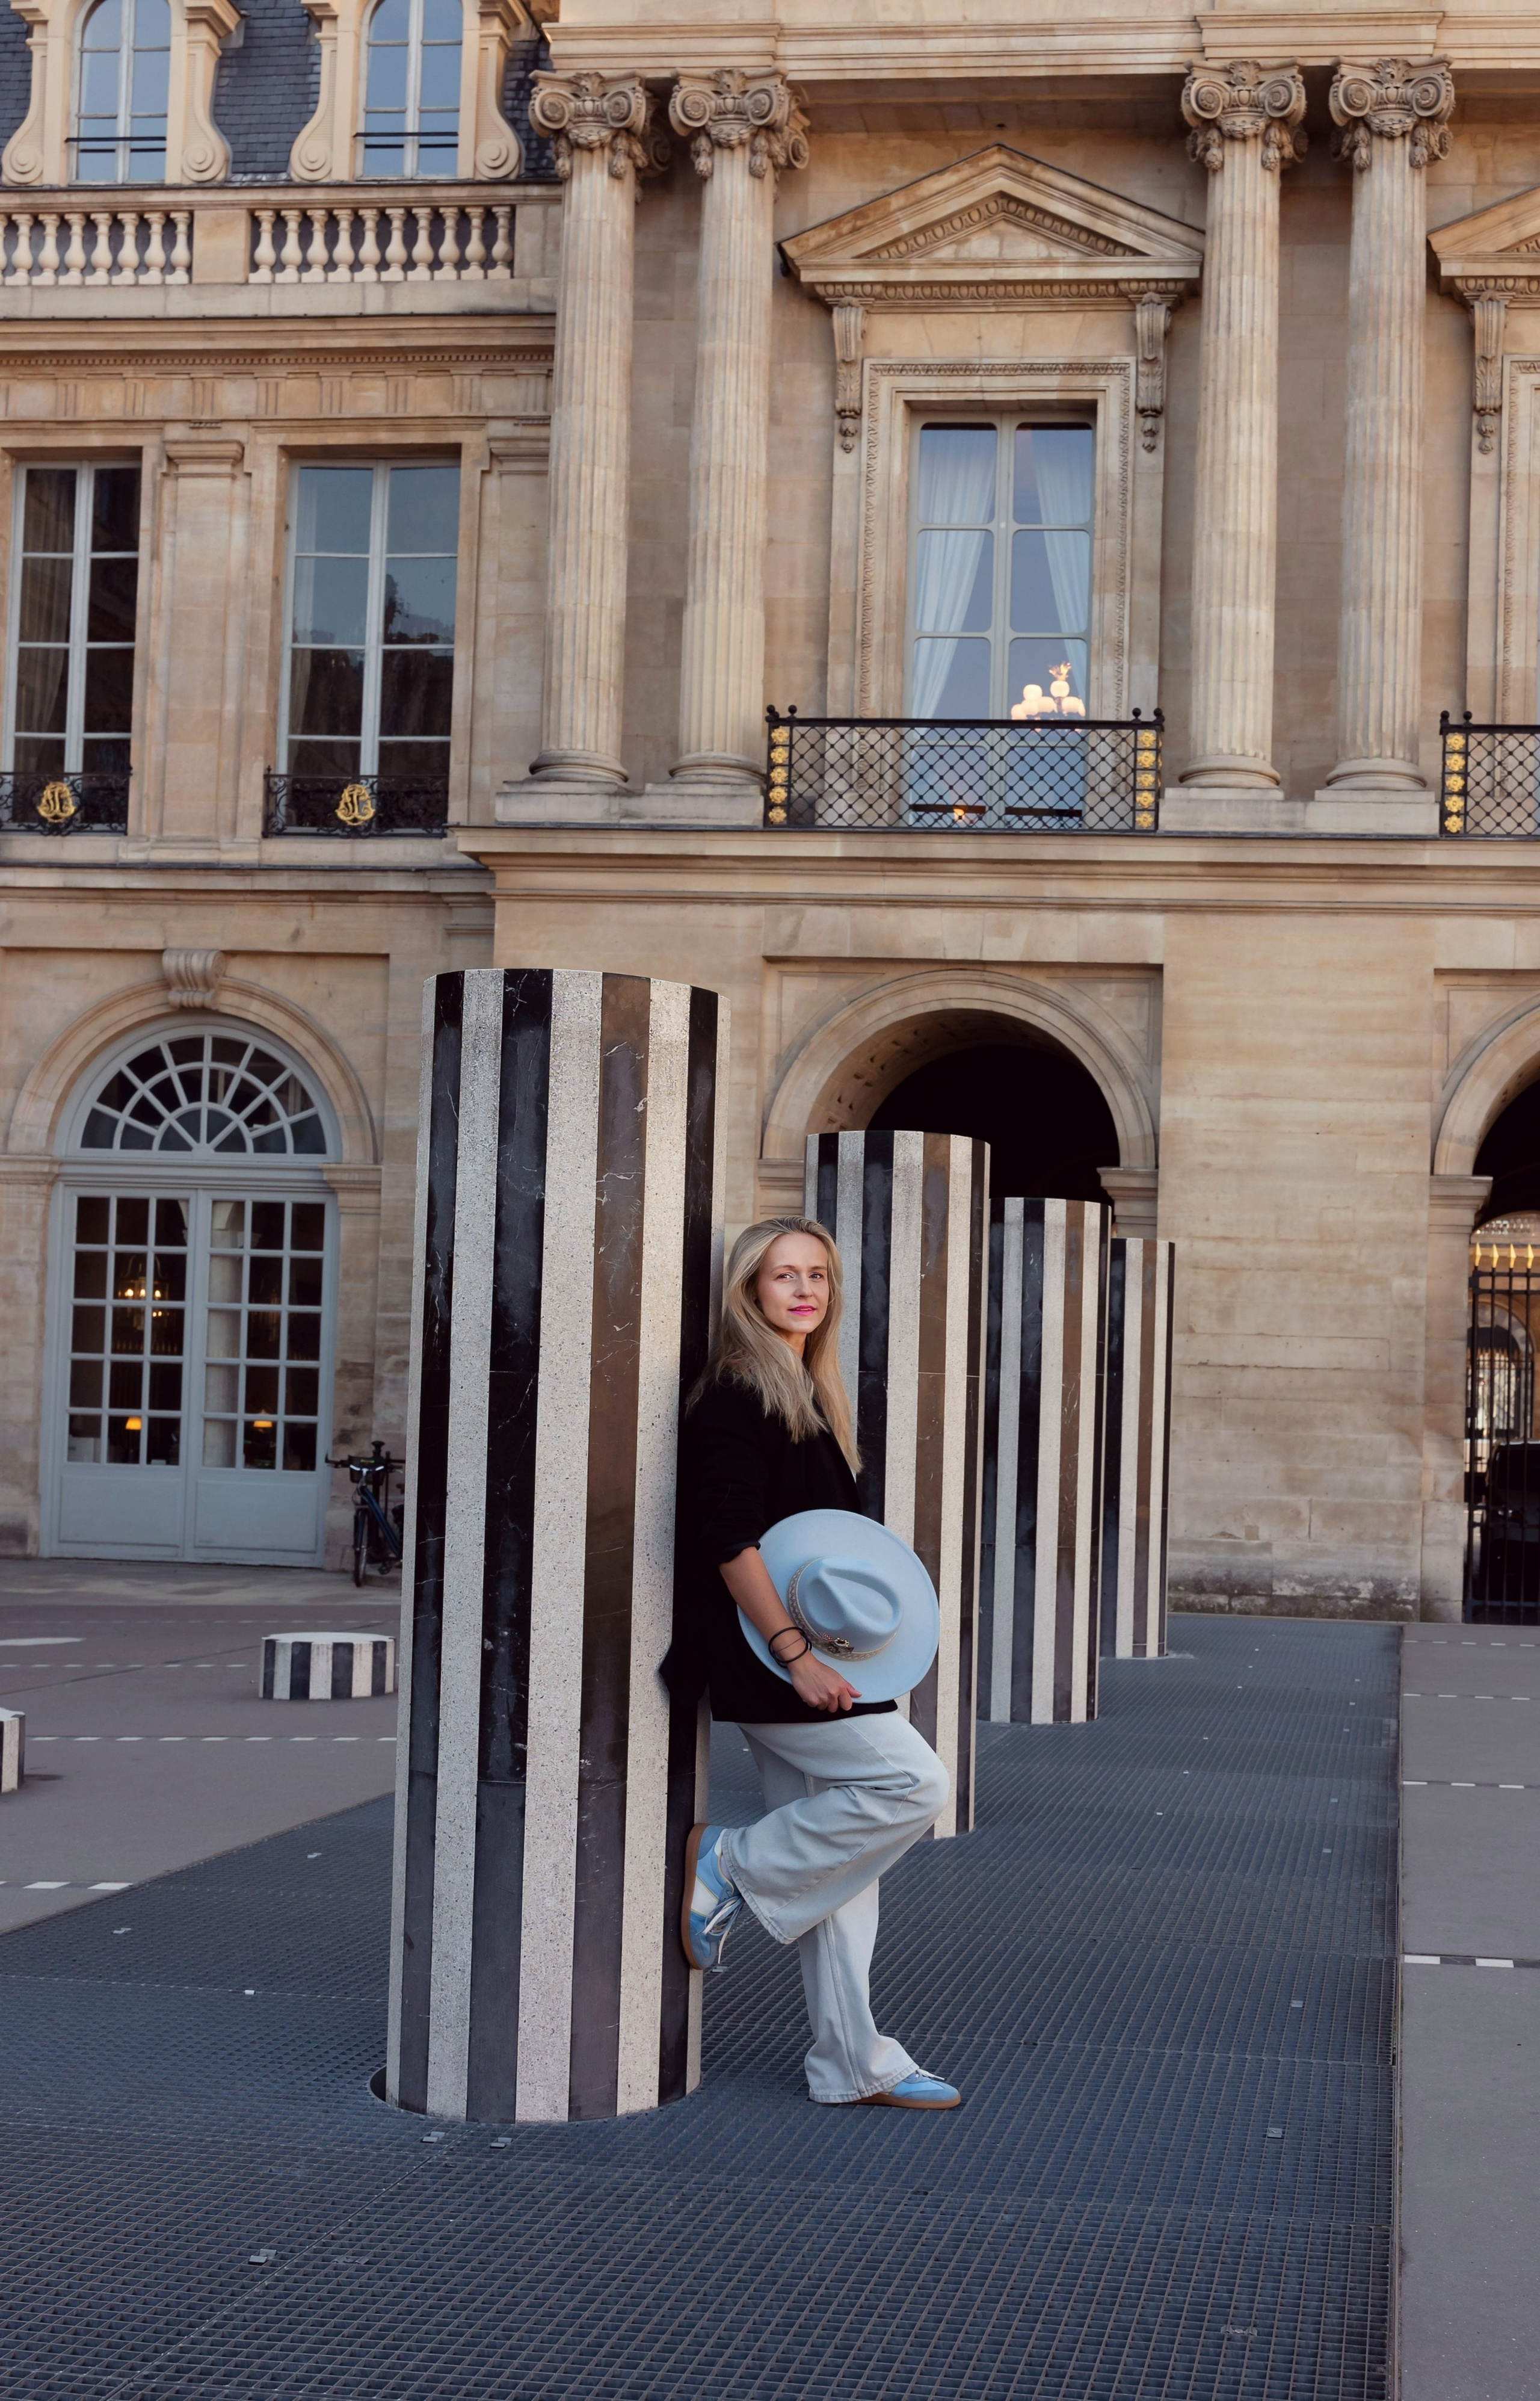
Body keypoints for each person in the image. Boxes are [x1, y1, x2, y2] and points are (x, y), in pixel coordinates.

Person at [665, 1214, 961, 2110]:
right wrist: (794, 1653)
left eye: (819, 1276)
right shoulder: (738, 1393)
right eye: (783, 1274)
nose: (803, 1289)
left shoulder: (805, 1389)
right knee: (914, 1787)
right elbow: (727, 1536)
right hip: (777, 1666)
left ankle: (851, 2060)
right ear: (748, 1289)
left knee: (841, 1872)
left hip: (804, 1663)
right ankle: (732, 1863)